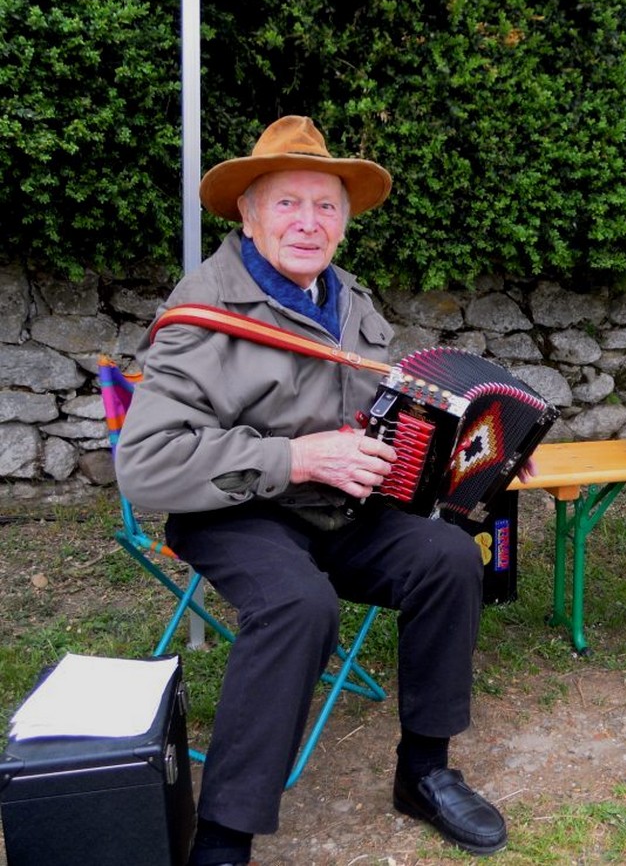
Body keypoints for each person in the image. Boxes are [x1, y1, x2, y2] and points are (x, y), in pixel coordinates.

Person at [116, 116, 507, 864]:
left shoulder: (352, 302)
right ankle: (225, 837)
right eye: (288, 204)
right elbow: (148, 465)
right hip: (235, 511)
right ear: (249, 215)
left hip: (342, 507)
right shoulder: (200, 317)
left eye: (326, 206)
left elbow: (381, 413)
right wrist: (295, 459)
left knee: (450, 557)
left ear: (345, 223)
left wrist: (461, 456)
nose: (308, 222)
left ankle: (424, 771)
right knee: (299, 604)